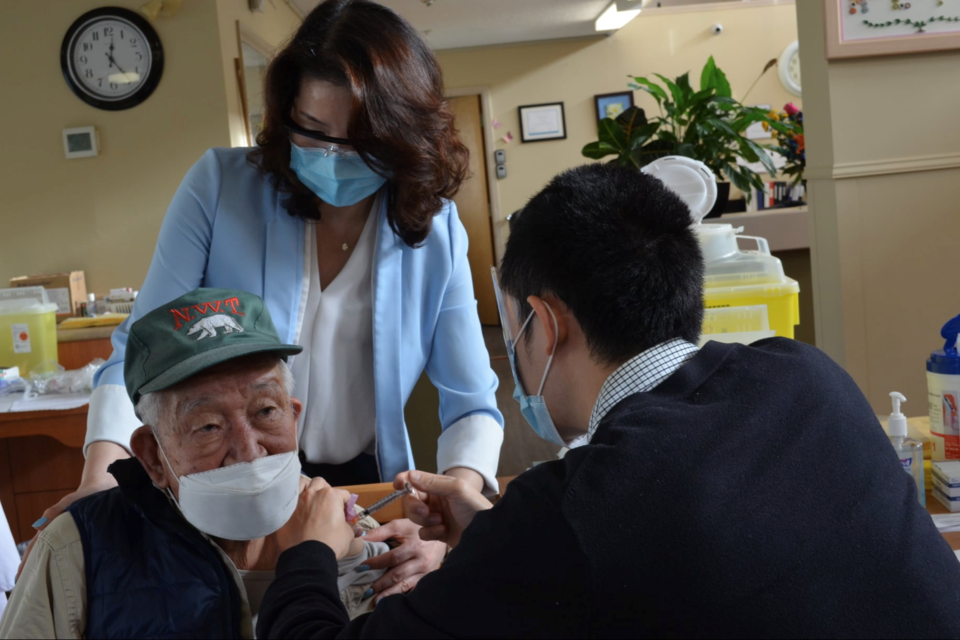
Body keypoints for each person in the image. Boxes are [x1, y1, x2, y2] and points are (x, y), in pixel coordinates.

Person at [254, 164, 960, 638]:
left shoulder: (573, 507)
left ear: (546, 324)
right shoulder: (806, 375)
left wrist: (308, 553)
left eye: (515, 332)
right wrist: (491, 536)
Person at [29, 0, 503, 599]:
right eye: (314, 130)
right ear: (286, 116)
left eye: (361, 140)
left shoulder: (436, 229)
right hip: (228, 477)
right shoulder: (220, 189)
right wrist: (101, 474)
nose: (334, 156)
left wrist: (448, 511)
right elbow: (135, 353)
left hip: (364, 488)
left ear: (404, 135)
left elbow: (472, 403)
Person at [0, 289, 396, 639]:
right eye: (207, 426)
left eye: (266, 411)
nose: (248, 448)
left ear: (293, 416)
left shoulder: (352, 529)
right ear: (152, 456)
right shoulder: (78, 549)